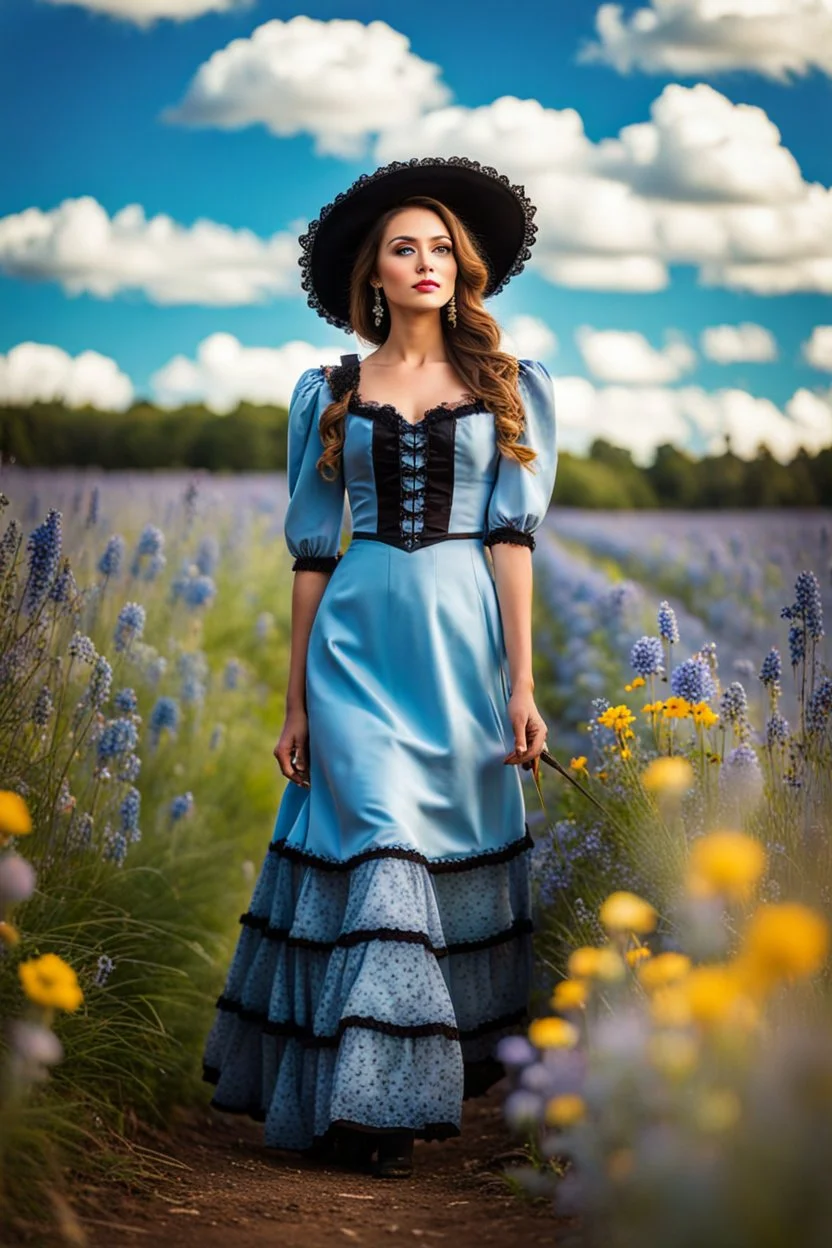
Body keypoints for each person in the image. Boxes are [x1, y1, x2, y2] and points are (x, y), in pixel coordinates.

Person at [202, 156, 558, 1180]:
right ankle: (371, 1108)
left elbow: (512, 541)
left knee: (435, 843)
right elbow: (313, 551)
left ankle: (383, 1090)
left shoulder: (510, 386)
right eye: (404, 247)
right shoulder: (325, 391)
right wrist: (296, 699)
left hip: (458, 651)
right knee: (383, 845)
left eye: (441, 246)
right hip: (353, 644)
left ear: (464, 267)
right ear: (373, 275)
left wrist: (522, 684)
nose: (425, 262)